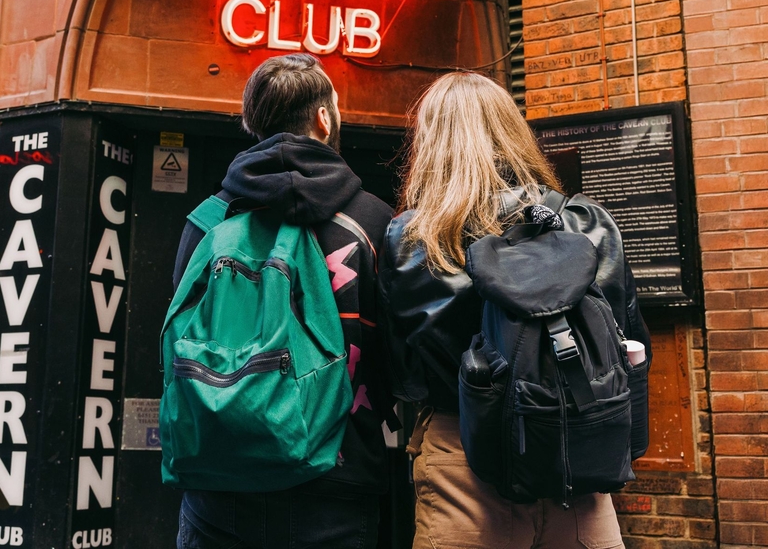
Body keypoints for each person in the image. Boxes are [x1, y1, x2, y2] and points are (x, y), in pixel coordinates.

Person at [377, 71, 652, 549]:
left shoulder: (413, 239)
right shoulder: (587, 221)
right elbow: (628, 340)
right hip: (578, 453)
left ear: (431, 144)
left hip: (465, 457)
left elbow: (405, 378)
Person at [172, 53, 393, 549]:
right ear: (324, 117)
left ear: (253, 122)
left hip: (218, 477)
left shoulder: (206, 224)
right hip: (337, 479)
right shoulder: (376, 223)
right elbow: (397, 360)